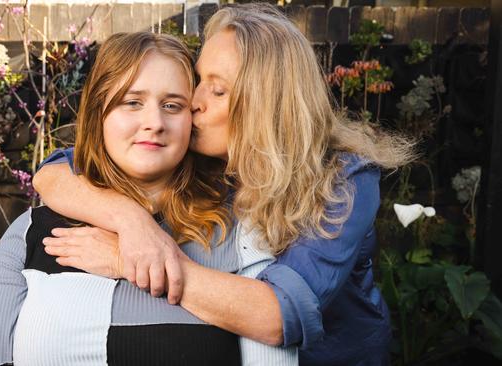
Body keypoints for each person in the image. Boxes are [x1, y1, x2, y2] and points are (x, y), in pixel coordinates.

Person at [33, 4, 416, 365]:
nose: (193, 102)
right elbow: (57, 171)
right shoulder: (204, 153)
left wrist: (129, 259)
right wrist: (132, 222)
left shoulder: (344, 178)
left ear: (266, 105)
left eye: (217, 90)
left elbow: (279, 315)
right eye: (199, 80)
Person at [0, 31, 297, 366]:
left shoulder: (240, 231)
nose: (154, 123)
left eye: (172, 105)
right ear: (99, 113)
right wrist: (130, 221)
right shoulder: (31, 234)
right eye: (132, 102)